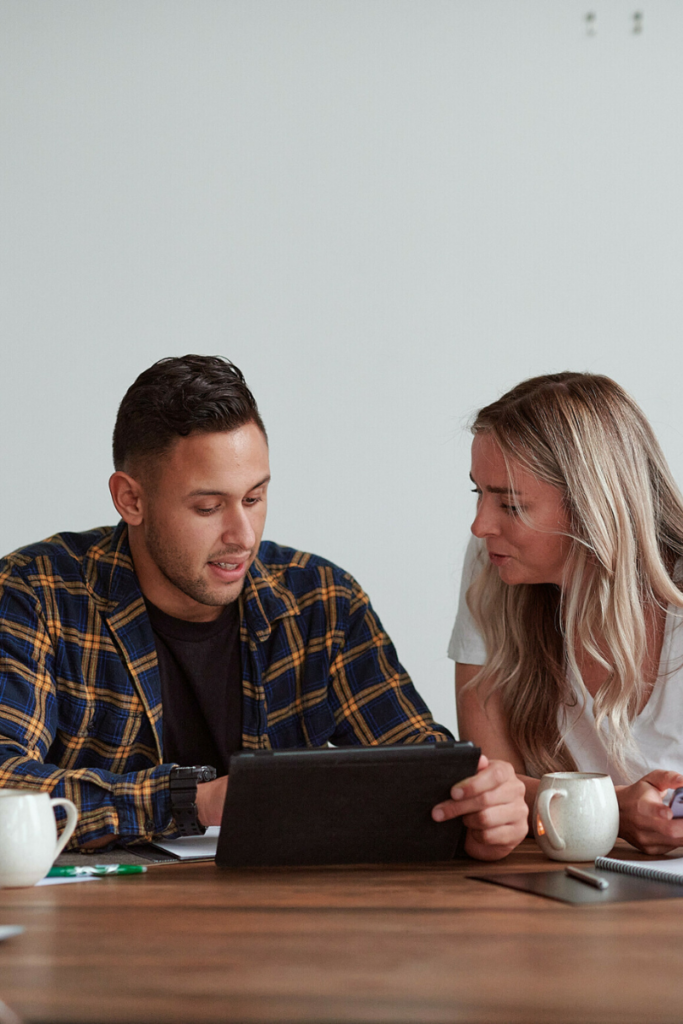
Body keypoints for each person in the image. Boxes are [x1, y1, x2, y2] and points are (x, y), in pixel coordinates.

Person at [0, 355, 527, 859]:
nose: (242, 535)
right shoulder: (36, 593)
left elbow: (423, 773)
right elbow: (4, 778)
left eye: (254, 498)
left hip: (283, 932)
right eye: (208, 507)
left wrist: (482, 809)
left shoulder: (321, 601)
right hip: (97, 932)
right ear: (130, 500)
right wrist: (197, 802)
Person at [450, 371, 683, 856]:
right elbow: (495, 791)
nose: (480, 525)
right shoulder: (492, 569)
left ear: (593, 509)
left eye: (511, 505)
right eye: (479, 492)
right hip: (563, 885)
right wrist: (617, 810)